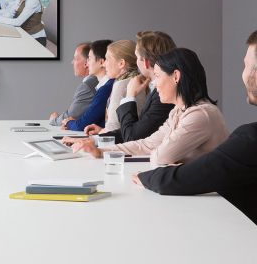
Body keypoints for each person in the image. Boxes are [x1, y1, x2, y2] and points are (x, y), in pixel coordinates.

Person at [133, 30, 257, 225]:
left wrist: (149, 176)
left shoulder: (249, 138)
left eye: (246, 65)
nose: (243, 74)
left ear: (176, 76)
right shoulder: (178, 112)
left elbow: (180, 178)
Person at [69, 48, 229, 166]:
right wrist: (101, 151)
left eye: (158, 76)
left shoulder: (200, 115)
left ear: (176, 76)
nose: (155, 83)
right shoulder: (178, 111)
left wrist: (169, 158)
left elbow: (160, 156)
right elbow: (147, 144)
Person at [85, 31, 176, 143]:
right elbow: (135, 129)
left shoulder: (163, 94)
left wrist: (130, 95)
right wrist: (95, 139)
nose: (104, 64)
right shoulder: (154, 89)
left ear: (146, 63)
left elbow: (132, 136)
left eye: (137, 57)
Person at [94, 40, 145, 133]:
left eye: (107, 59)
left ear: (121, 63)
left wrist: (93, 138)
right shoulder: (139, 80)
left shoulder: (121, 85)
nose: (104, 64)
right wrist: (102, 130)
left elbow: (113, 128)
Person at [62, 40, 114, 131]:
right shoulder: (105, 86)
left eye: (89, 58)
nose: (87, 63)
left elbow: (82, 124)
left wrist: (68, 123)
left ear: (101, 62)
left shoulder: (105, 88)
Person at [49, 42, 98, 125]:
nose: (72, 62)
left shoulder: (87, 86)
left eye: (75, 58)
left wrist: (54, 120)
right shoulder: (94, 82)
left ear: (87, 63)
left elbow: (71, 115)